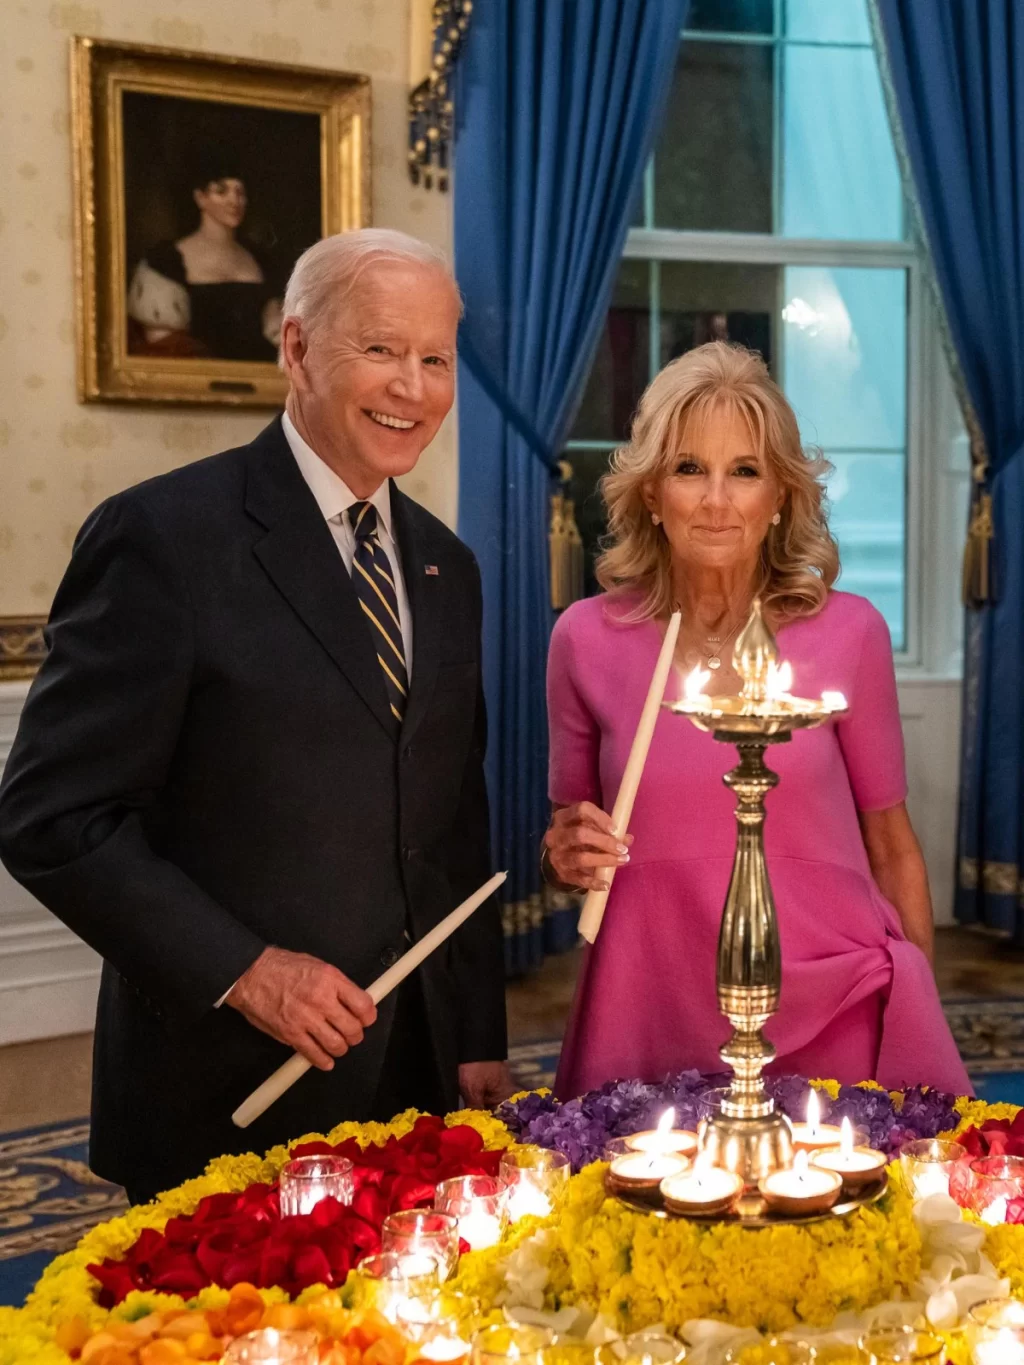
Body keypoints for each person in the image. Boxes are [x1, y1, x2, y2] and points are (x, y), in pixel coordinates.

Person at [0, 228, 511, 1203]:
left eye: (435, 360)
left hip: (411, 1072)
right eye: (379, 350)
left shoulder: (449, 567)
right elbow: (52, 822)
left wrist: (475, 1030)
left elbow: (451, 819)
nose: (412, 387)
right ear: (296, 348)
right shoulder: (162, 540)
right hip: (223, 1080)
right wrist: (247, 972)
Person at [543, 341, 971, 1099]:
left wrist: (919, 1021)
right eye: (687, 469)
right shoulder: (584, 638)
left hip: (832, 999)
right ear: (650, 493)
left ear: (779, 496)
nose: (715, 499)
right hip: (649, 998)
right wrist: (563, 855)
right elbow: (569, 842)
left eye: (743, 471)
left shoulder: (852, 633)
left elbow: (892, 845)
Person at [127, 153, 282, 362]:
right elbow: (163, 351)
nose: (234, 200)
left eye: (240, 192)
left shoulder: (261, 260)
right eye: (221, 191)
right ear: (200, 198)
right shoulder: (167, 261)